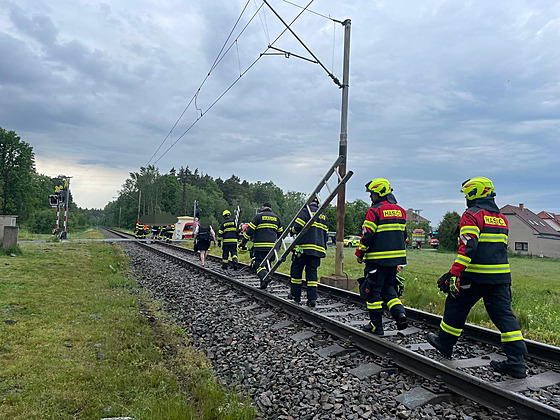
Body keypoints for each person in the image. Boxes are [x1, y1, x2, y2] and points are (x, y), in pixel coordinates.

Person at [427, 177, 527, 378]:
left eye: (466, 195)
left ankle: (444, 345)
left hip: (474, 276)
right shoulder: (501, 218)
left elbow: (469, 247)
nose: (465, 199)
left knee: (456, 307)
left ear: (473, 194)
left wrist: (454, 272)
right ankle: (517, 362)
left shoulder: (471, 215)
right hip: (500, 278)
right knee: (504, 317)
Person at [356, 178, 408, 335]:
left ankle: (376, 326)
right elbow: (404, 235)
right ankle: (400, 314)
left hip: (377, 260)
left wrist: (360, 253)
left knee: (373, 291)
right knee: (388, 288)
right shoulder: (401, 211)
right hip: (396, 260)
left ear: (379, 194)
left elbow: (368, 235)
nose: (370, 197)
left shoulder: (374, 211)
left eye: (372, 194)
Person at [287, 195, 328, 307]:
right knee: (312, 274)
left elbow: (298, 227)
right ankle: (312, 299)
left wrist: (292, 231)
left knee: (296, 271)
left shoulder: (305, 211)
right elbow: (326, 235)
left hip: (303, 249)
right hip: (317, 250)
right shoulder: (323, 215)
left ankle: (296, 295)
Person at [240, 202, 283, 286]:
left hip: (259, 247)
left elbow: (249, 230)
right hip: (271, 248)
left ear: (262, 208)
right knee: (267, 265)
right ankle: (263, 284)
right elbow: (280, 234)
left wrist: (243, 242)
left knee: (258, 265)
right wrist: (279, 246)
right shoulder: (276, 218)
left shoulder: (258, 217)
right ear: (271, 208)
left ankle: (265, 277)